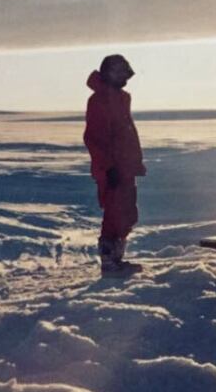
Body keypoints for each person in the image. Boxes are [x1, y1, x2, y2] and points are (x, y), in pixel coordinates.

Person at [84, 54, 146, 274]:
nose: (123, 76)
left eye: (124, 71)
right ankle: (110, 262)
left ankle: (117, 259)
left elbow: (126, 134)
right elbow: (95, 138)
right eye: (118, 71)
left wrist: (134, 162)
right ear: (108, 73)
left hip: (125, 166)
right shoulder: (99, 101)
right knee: (114, 213)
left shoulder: (120, 99)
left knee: (128, 213)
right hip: (112, 169)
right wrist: (108, 167)